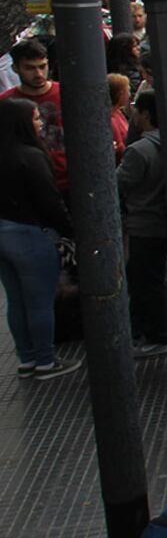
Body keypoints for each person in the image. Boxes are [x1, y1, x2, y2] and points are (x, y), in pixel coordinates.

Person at [0, 98, 77, 380]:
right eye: (35, 118)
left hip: (4, 234)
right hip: (31, 234)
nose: (40, 123)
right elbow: (49, 201)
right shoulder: (30, 157)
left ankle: (27, 359)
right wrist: (70, 230)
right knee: (40, 300)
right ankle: (46, 360)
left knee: (17, 300)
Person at [118, 90, 167, 358]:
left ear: (146, 115)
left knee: (146, 282)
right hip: (163, 223)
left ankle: (156, 333)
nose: (133, 114)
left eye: (137, 110)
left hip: (144, 224)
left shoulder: (139, 150)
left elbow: (119, 183)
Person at [2, 39, 67, 193]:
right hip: (28, 185)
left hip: (71, 180)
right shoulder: (6, 103)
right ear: (15, 68)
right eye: (29, 68)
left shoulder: (67, 94)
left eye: (42, 66)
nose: (38, 74)